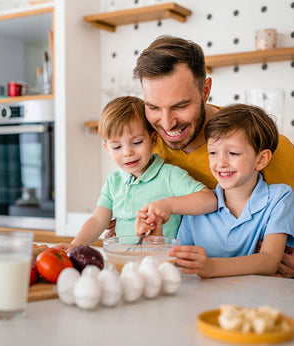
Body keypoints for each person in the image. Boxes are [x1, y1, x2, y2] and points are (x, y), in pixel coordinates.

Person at [132, 35, 294, 280]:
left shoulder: (264, 146)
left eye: (180, 106)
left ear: (205, 90)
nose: (166, 123)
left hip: (277, 286)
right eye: (153, 107)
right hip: (202, 285)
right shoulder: (150, 147)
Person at [138, 104, 294, 278]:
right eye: (213, 152)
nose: (221, 163)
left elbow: (269, 261)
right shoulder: (197, 206)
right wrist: (157, 241)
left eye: (233, 153)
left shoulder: (280, 198)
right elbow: (180, 262)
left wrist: (210, 267)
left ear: (261, 159)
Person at [54, 96, 217, 251]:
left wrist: (169, 205)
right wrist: (76, 245)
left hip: (162, 263)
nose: (127, 153)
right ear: (107, 149)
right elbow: (98, 219)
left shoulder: (169, 175)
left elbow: (209, 200)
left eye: (137, 142)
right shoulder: (113, 182)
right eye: (117, 147)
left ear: (153, 140)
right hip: (124, 260)